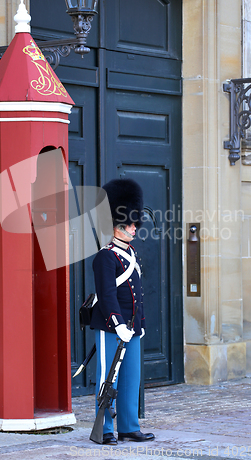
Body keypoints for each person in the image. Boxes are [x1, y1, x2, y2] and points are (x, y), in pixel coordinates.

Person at [90, 178, 155, 445]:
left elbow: (136, 295)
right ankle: (104, 429)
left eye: (133, 224)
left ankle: (129, 426)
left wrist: (138, 324)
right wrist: (117, 324)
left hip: (132, 328)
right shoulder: (105, 257)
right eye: (127, 224)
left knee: (131, 378)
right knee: (108, 379)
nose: (132, 228)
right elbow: (106, 295)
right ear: (115, 226)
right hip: (111, 327)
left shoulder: (132, 254)